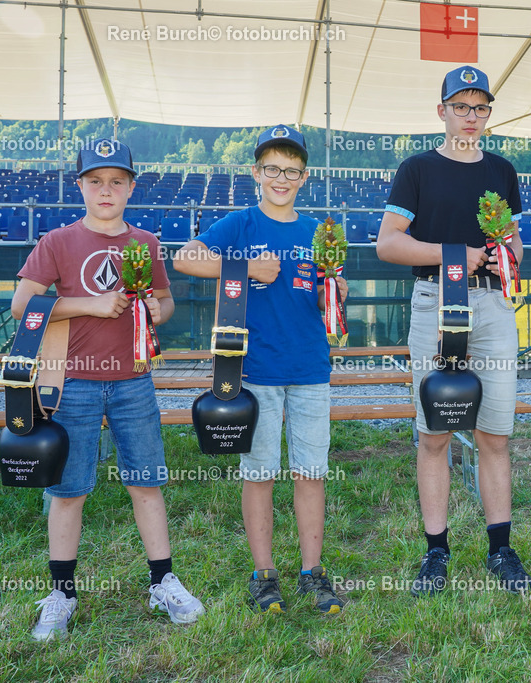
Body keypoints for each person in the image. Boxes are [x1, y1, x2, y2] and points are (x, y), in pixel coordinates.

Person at [13, 138, 205, 641]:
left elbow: (164, 302)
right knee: (68, 490)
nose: (106, 190)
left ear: (130, 187)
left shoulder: (145, 241)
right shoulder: (56, 241)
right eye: (95, 180)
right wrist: (89, 304)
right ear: (79, 185)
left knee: (146, 482)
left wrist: (152, 311)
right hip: (70, 383)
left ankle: (163, 581)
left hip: (132, 381)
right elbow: (22, 308)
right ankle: (61, 593)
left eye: (116, 181)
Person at [173, 125, 348, 615]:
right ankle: (263, 574)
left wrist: (333, 294)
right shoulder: (242, 223)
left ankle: (313, 573)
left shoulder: (317, 231)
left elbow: (322, 294)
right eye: (272, 168)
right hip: (255, 371)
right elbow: (185, 258)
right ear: (256, 172)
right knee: (260, 474)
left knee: (311, 471)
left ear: (304, 177)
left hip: (310, 367)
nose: (281, 178)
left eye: (291, 171)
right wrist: (246, 268)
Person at [376, 66, 531, 595]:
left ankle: (500, 548)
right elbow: (389, 244)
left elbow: (514, 244)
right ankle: (436, 552)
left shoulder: (503, 170)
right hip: (434, 301)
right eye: (461, 106)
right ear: (441, 110)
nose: (471, 117)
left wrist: (504, 256)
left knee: (494, 433)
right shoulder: (417, 168)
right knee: (434, 433)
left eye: (480, 108)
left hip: (490, 306)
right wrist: (456, 257)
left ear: (489, 115)